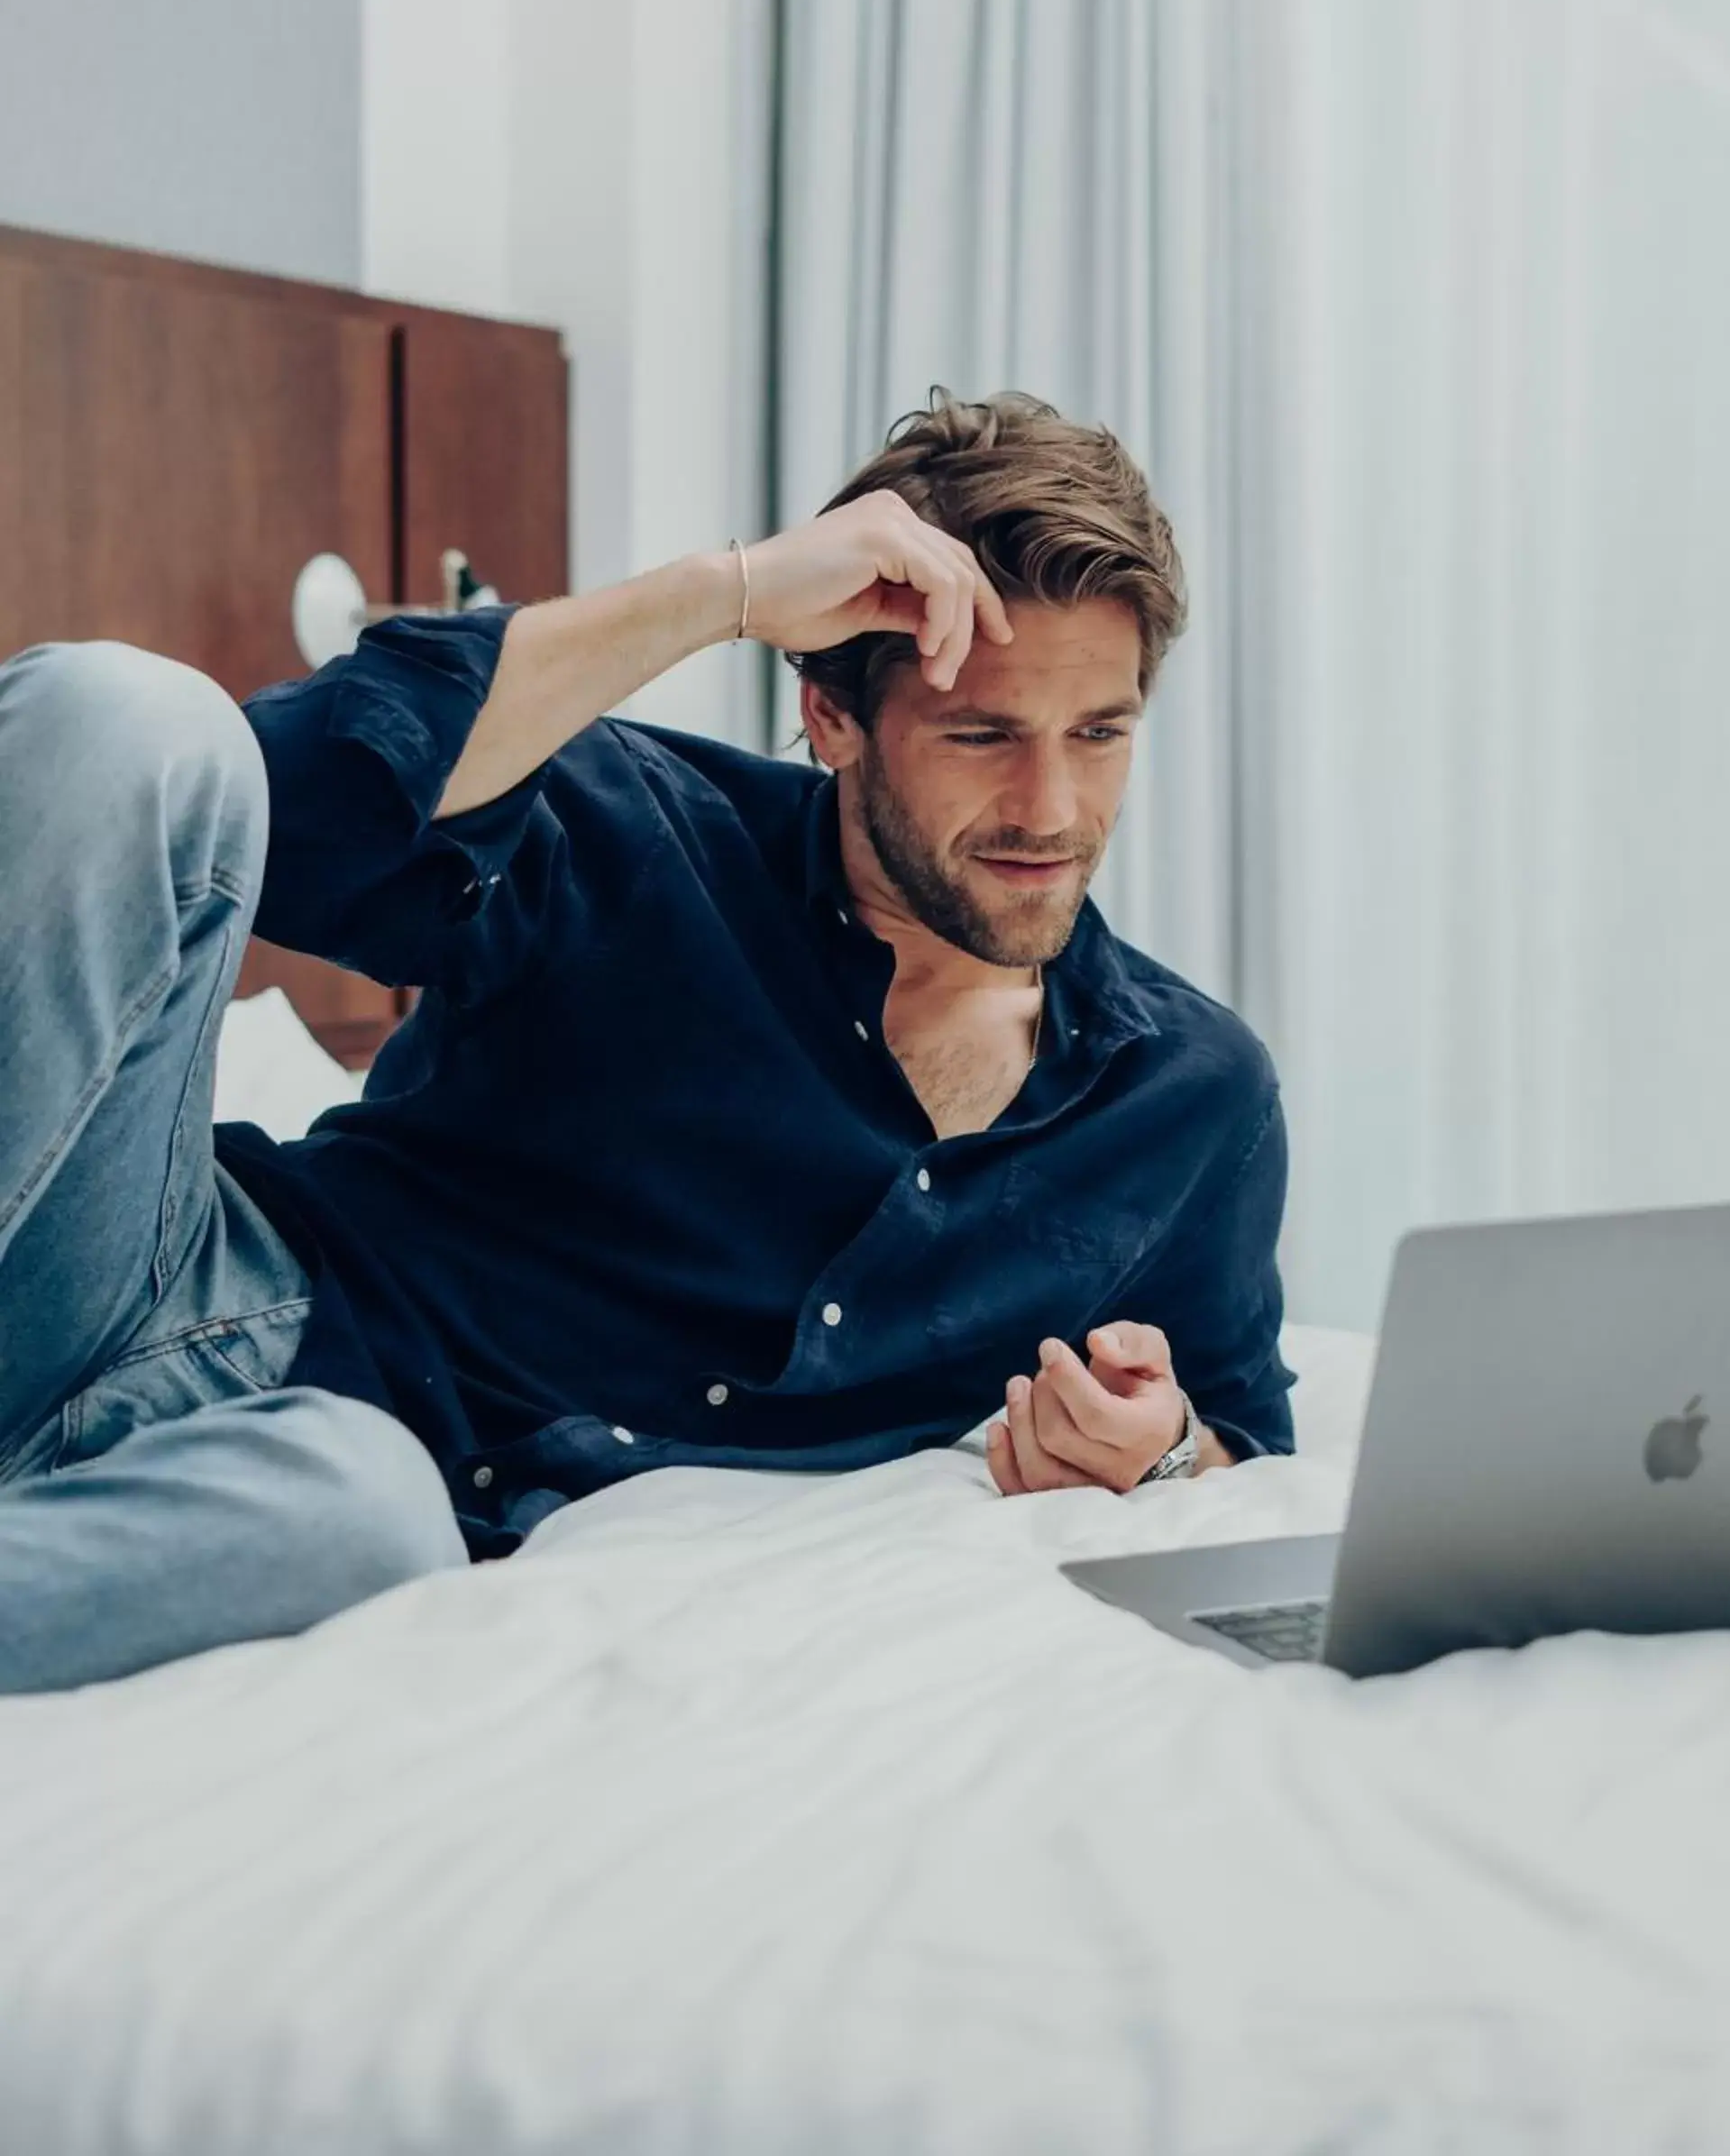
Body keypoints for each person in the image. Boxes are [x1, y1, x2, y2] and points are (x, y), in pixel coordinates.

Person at [0, 391, 1292, 1695]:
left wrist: (1165, 1446)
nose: (1051, 808)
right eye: (982, 735)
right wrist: (722, 591)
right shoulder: (638, 827)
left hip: (322, 1469)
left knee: (367, 1522)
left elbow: (1240, 1432)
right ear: (834, 716)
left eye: (1101, 734)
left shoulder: (1188, 1097)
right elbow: (295, 808)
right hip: (147, 1271)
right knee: (130, 717)